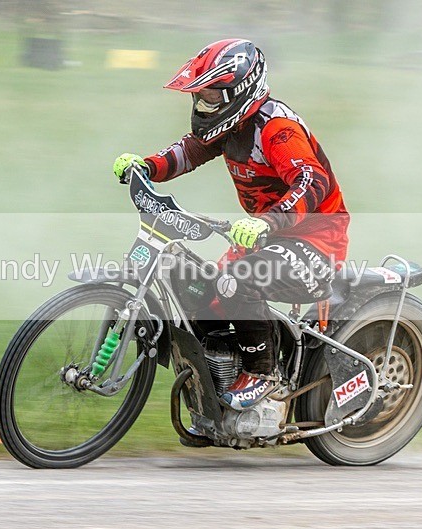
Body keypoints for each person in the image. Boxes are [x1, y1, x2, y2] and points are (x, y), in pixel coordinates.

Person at [113, 39, 349, 410]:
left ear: (239, 92)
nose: (203, 106)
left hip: (317, 241)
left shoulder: (277, 130)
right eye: (200, 98)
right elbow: (190, 150)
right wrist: (146, 166)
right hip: (268, 237)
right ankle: (222, 381)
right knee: (200, 295)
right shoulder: (232, 124)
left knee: (236, 281)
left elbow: (312, 182)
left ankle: (262, 372)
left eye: (211, 97)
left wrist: (267, 222)